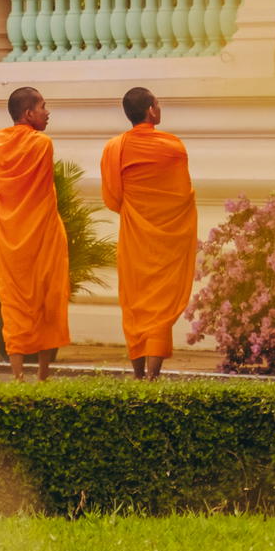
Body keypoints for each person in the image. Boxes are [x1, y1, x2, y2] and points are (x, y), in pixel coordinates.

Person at [100, 86, 197, 379]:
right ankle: (153, 375)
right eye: (158, 103)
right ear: (151, 110)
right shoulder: (174, 147)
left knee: (136, 302)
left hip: (135, 238)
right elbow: (183, 195)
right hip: (168, 240)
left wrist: (137, 212)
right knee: (160, 305)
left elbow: (111, 198)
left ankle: (139, 373)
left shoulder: (114, 148)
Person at [0, 86, 70, 380]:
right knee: (46, 299)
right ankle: (42, 373)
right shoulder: (42, 144)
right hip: (42, 236)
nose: (47, 112)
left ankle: (18, 375)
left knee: (14, 303)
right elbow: (43, 192)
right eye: (43, 106)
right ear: (28, 114)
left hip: (8, 238)